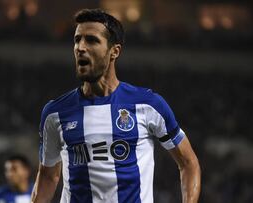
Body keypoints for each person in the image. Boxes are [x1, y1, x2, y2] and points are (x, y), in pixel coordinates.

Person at [31, 8, 201, 203]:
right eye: (77, 39)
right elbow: (47, 176)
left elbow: (189, 163)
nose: (80, 47)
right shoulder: (55, 113)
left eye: (92, 40)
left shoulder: (148, 105)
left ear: (114, 51)